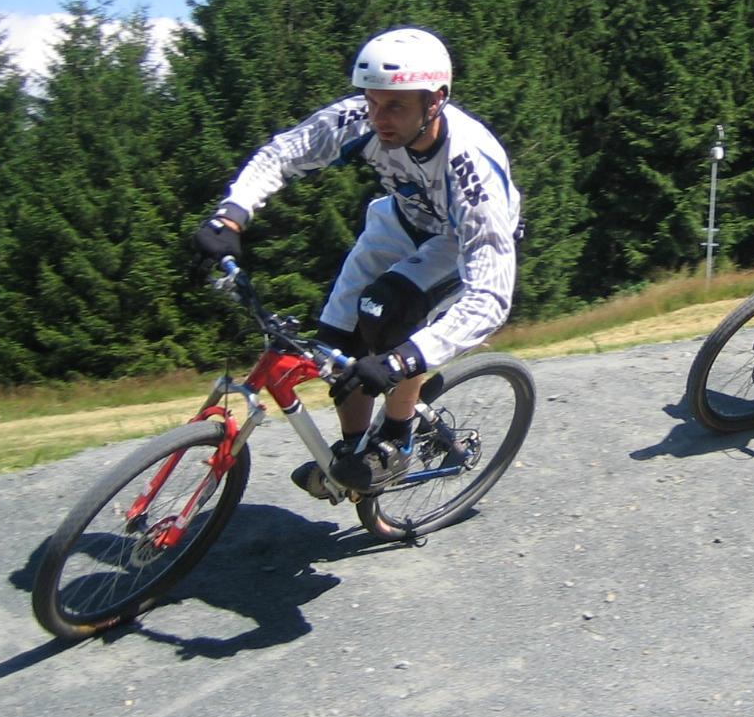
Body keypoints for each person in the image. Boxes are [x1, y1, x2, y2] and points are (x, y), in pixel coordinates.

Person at [192, 26, 522, 501]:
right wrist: (232, 215)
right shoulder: (363, 119)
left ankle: (396, 436)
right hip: (398, 221)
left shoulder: (471, 170)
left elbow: (491, 296)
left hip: (457, 237)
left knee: (385, 316)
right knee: (337, 344)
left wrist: (401, 360)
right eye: (371, 102)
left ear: (436, 101)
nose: (378, 118)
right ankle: (353, 454)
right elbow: (286, 153)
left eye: (395, 106)